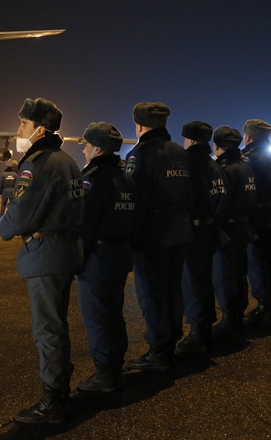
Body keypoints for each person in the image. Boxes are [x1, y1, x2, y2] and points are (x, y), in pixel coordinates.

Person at [0, 97, 84, 424]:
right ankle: (59, 388)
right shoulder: (67, 160)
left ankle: (53, 403)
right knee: (57, 326)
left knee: (47, 329)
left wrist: (2, 226)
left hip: (45, 256)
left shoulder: (39, 164)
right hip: (65, 251)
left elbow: (17, 216)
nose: (18, 129)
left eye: (23, 124)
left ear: (40, 129)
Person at [124, 102, 193, 371]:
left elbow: (135, 197)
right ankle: (172, 341)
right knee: (173, 290)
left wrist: (132, 236)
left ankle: (158, 350)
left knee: (151, 293)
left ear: (139, 125)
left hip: (153, 233)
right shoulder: (179, 152)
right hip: (180, 229)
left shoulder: (140, 153)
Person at [75, 122, 138, 392]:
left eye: (87, 146)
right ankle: (115, 364)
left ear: (97, 149)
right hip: (120, 252)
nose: (85, 151)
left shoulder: (93, 178)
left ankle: (105, 374)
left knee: (97, 315)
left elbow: (83, 223)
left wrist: (75, 258)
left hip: (98, 257)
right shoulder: (126, 177)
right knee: (114, 312)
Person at [175, 121, 228, 355]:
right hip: (209, 230)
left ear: (190, 140)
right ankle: (205, 327)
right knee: (204, 281)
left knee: (192, 283)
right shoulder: (213, 165)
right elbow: (221, 199)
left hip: (191, 232)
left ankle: (198, 333)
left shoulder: (187, 164)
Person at [211, 126, 257, 346]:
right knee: (239, 274)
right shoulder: (244, 166)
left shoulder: (225, 168)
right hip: (243, 227)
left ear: (217, 145)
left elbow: (221, 203)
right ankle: (237, 317)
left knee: (225, 276)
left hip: (228, 230)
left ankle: (230, 321)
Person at [241, 119, 271, 329]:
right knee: (268, 259)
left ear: (248, 136)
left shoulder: (250, 158)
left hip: (257, 216)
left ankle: (264, 306)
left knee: (257, 261)